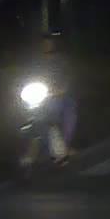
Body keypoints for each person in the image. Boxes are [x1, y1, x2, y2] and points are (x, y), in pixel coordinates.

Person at [34, 33, 77, 164]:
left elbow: (67, 76)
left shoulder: (60, 60)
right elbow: (30, 76)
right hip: (42, 95)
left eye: (49, 43)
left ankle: (64, 146)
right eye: (44, 44)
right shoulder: (37, 62)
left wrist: (61, 89)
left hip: (59, 94)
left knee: (67, 111)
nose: (47, 46)